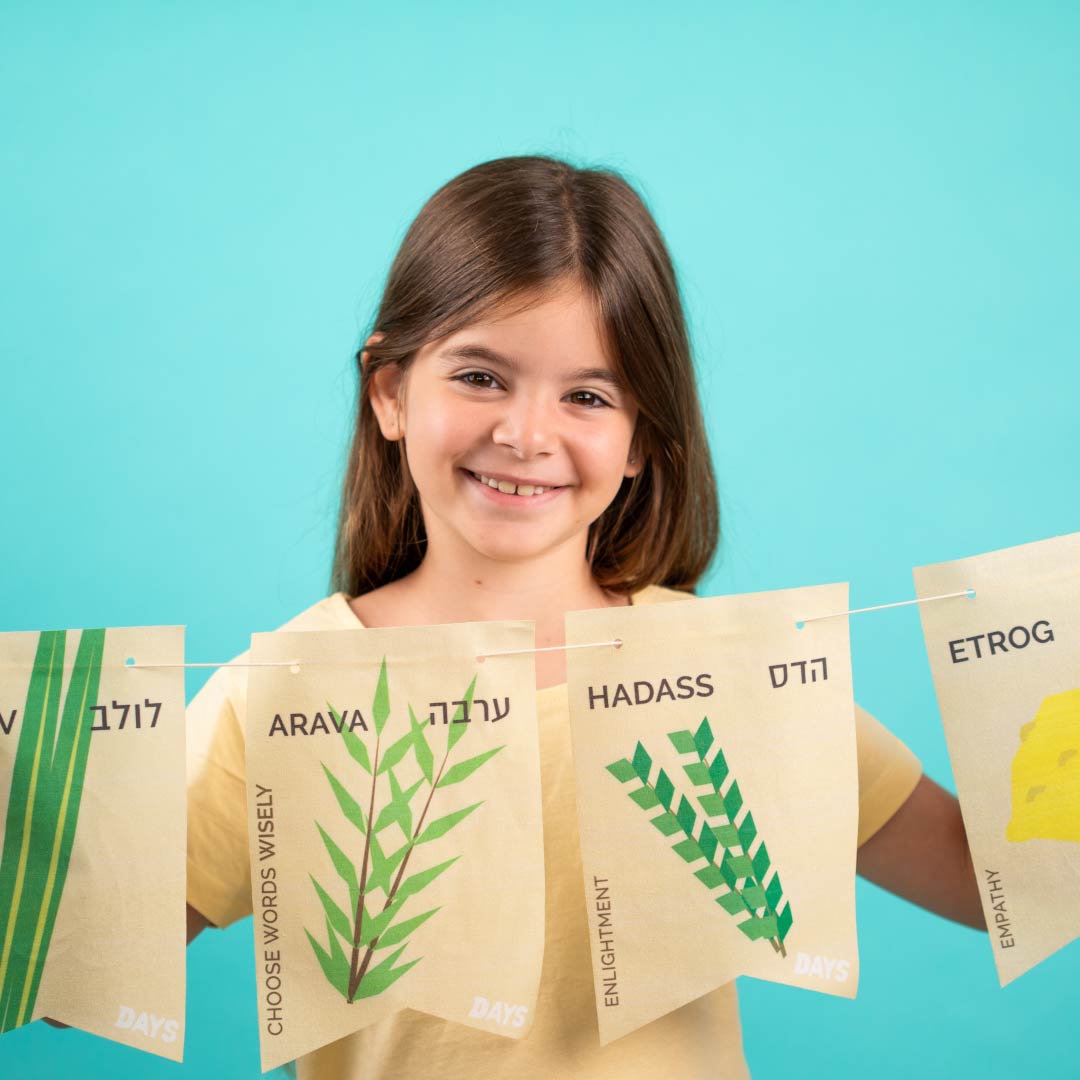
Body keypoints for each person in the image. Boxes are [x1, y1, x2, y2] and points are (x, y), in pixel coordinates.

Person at [184, 155, 986, 1079]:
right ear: (391, 392)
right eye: (481, 377)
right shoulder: (284, 690)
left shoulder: (724, 674)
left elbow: (979, 874)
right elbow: (83, 955)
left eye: (587, 397)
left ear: (642, 438)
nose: (527, 435)